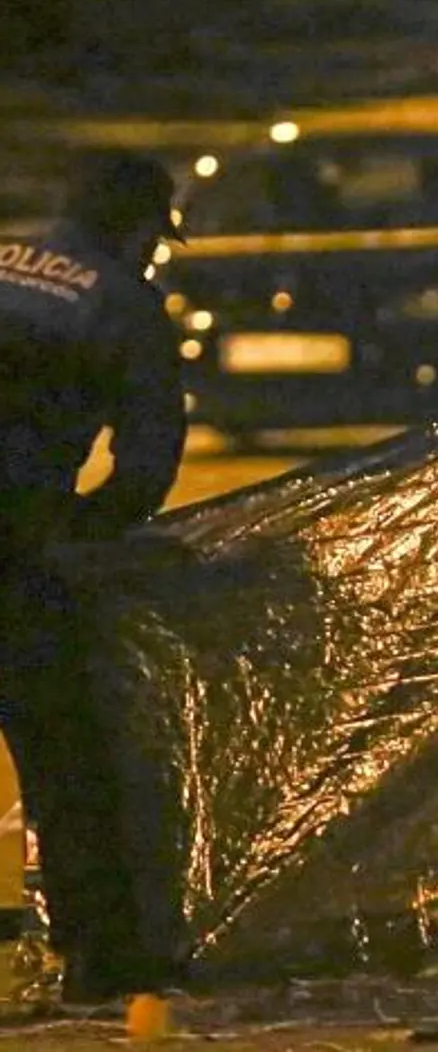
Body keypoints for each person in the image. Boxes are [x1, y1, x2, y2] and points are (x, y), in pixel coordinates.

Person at [0, 151, 189, 1001]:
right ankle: (103, 959)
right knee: (65, 752)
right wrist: (78, 529)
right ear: (142, 230)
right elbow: (146, 470)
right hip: (10, 541)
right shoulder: (124, 305)